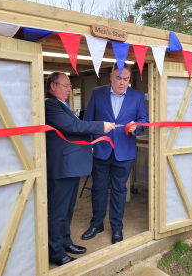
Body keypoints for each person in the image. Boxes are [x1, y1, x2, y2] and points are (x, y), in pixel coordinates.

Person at [45, 72, 115, 266]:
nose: (70, 89)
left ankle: (65, 241)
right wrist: (101, 126)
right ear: (52, 86)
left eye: (70, 86)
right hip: (62, 167)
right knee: (58, 211)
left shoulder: (61, 104)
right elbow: (72, 125)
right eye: (66, 86)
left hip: (71, 166)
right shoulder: (49, 105)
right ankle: (55, 251)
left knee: (67, 209)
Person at [82, 63, 149, 244]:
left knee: (119, 191)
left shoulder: (136, 96)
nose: (122, 82)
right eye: (118, 78)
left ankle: (117, 228)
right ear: (111, 77)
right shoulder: (97, 93)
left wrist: (138, 127)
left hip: (125, 153)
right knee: (98, 189)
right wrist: (90, 146)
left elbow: (144, 119)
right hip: (100, 150)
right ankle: (97, 224)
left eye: (126, 79)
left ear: (129, 79)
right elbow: (87, 121)